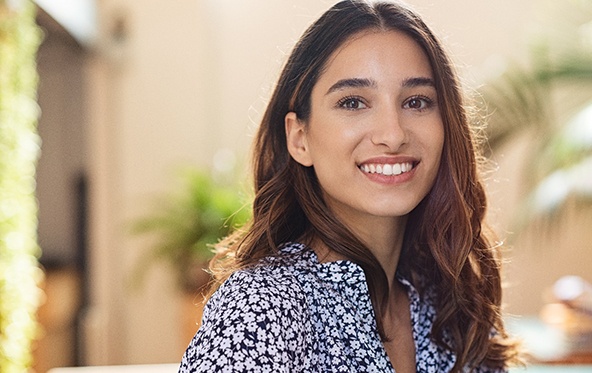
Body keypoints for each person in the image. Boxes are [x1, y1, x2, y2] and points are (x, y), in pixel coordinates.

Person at [179, 0, 521, 372]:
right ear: (299, 138)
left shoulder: (451, 301)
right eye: (354, 102)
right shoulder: (261, 308)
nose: (393, 134)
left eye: (417, 101)